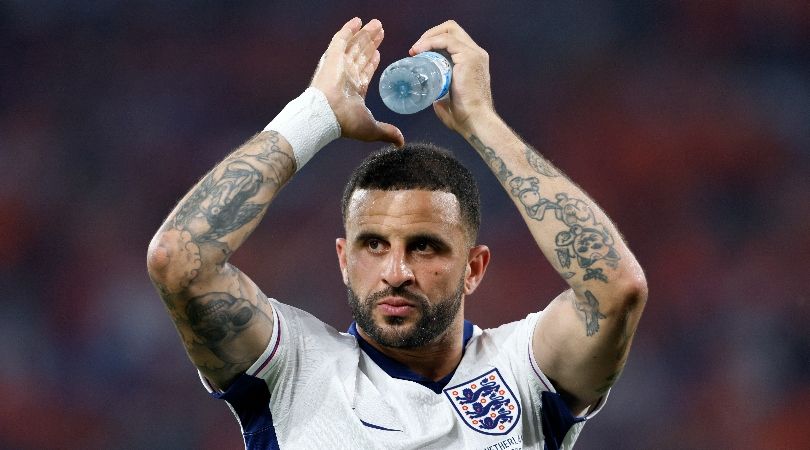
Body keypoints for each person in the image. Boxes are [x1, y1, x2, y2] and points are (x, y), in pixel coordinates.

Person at [147, 17, 647, 449]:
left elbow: (615, 289)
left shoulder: (524, 372)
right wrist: (316, 113)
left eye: (424, 247)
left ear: (474, 268)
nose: (396, 272)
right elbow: (179, 259)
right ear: (343, 259)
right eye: (374, 245)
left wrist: (481, 122)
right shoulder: (294, 367)